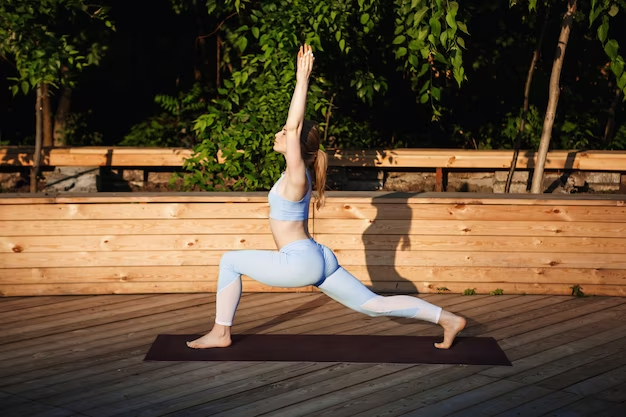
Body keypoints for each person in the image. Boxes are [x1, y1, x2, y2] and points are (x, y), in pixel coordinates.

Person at [187, 44, 466, 350]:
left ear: (298, 146)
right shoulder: (295, 176)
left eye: (284, 131)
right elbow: (293, 132)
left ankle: (221, 333)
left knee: (229, 261)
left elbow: (293, 129)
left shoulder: (296, 177)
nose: (279, 134)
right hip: (319, 256)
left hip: (301, 261)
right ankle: (447, 319)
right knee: (372, 304)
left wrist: (302, 80)